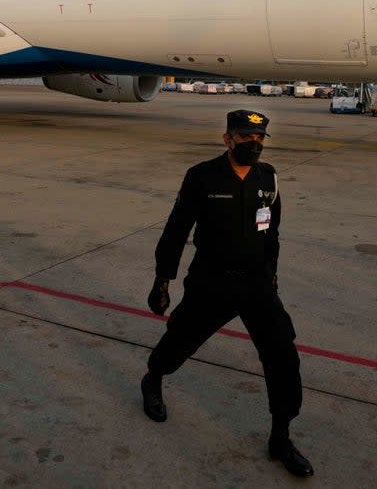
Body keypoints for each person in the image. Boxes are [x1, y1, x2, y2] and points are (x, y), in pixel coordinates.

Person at [140, 109, 313, 478]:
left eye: (260, 137)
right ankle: (153, 378)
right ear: (227, 139)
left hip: (256, 285)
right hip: (211, 282)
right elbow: (176, 230)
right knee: (179, 341)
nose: (254, 143)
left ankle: (280, 436)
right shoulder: (202, 176)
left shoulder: (269, 178)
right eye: (245, 137)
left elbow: (273, 233)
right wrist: (162, 279)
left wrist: (272, 275)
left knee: (283, 357)